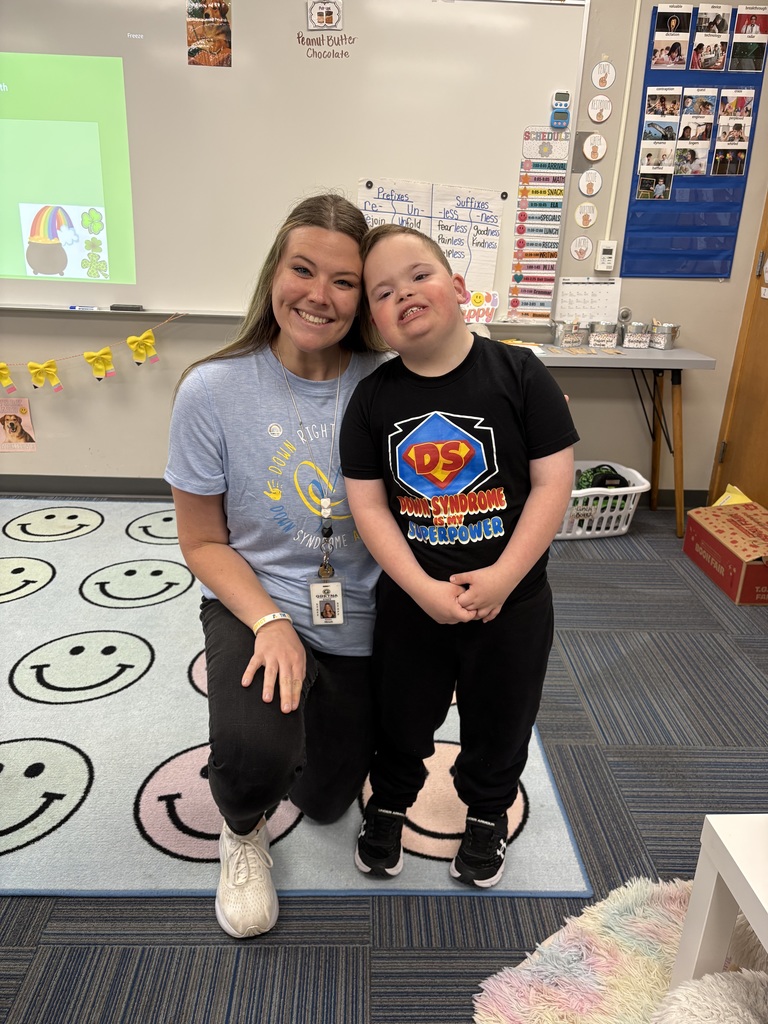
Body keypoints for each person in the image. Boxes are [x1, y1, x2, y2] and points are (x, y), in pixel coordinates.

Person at [165, 193, 388, 939]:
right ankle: (240, 831)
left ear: (362, 298)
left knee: (326, 799)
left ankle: (319, 738)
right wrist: (267, 621)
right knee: (256, 756)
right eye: (302, 269)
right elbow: (201, 542)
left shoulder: (390, 386)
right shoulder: (211, 390)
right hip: (255, 599)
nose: (318, 296)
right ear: (274, 273)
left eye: (344, 281)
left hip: (362, 612)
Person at [339, 225, 578, 888]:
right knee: (401, 715)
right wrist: (417, 587)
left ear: (460, 287)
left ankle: (486, 816)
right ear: (376, 322)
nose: (404, 294)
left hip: (515, 602)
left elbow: (555, 482)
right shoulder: (373, 399)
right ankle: (388, 803)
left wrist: (505, 576)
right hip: (414, 603)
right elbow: (368, 506)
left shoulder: (520, 372)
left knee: (502, 719)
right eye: (382, 292)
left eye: (418, 275)